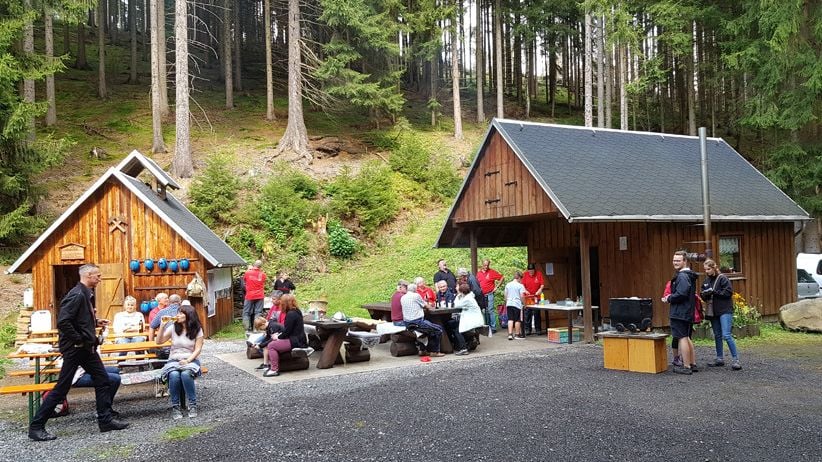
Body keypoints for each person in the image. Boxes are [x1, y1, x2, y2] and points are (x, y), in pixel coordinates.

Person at [28, 264, 129, 441]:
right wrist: (79, 340)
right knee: (62, 388)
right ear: (88, 276)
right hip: (76, 349)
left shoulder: (85, 295)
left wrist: (95, 322)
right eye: (97, 276)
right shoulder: (77, 295)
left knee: (103, 379)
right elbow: (63, 322)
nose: (99, 279)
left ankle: (105, 420)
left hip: (86, 349)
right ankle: (36, 427)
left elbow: (77, 320)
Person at [157, 304, 204, 419]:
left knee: (186, 374)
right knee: (173, 375)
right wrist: (162, 326)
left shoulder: (197, 329)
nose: (178, 315)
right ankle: (175, 407)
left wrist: (188, 360)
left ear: (189, 316)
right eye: (178, 313)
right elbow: (159, 341)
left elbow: (198, 349)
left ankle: (192, 405)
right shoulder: (173, 327)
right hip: (174, 359)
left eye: (181, 313)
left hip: (191, 359)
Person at [662, 250, 698, 375]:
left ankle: (686, 366)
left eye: (678, 260)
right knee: (687, 337)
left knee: (682, 337)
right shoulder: (689, 275)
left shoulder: (682, 276)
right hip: (687, 311)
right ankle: (692, 363)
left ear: (685, 261)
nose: (675, 263)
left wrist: (669, 298)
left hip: (680, 311)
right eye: (674, 260)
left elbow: (682, 293)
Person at [701, 259, 741, 370]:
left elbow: (728, 292)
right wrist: (704, 294)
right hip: (713, 311)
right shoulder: (706, 280)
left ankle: (736, 360)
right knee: (717, 335)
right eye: (705, 269)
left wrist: (714, 292)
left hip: (724, 310)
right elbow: (703, 295)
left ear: (714, 267)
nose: (707, 271)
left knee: (726, 335)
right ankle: (719, 358)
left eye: (708, 269)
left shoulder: (722, 278)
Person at [263, 294, 311, 377]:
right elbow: (288, 331)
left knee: (271, 345)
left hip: (295, 341)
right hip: (298, 339)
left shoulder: (291, 314)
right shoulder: (297, 311)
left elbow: (287, 332)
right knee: (273, 342)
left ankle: (274, 369)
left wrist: (277, 337)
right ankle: (273, 365)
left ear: (284, 303)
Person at [401, 283, 445, 357]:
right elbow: (426, 306)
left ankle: (423, 350)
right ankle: (434, 351)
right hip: (417, 322)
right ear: (415, 290)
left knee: (427, 329)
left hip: (407, 323)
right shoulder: (416, 295)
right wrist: (431, 307)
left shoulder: (403, 297)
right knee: (438, 329)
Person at [478, 259, 504, 332]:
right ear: (482, 264)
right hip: (482, 295)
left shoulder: (492, 272)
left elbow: (502, 277)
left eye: (487, 265)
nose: (486, 267)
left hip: (490, 293)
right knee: (483, 311)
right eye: (484, 265)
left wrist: (497, 287)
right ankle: (485, 326)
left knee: (490, 310)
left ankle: (493, 327)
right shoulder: (479, 273)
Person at [243, 260, 267, 332]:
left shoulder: (247, 273)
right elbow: (263, 282)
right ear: (261, 266)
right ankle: (256, 329)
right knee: (258, 312)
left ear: (254, 265)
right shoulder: (263, 274)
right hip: (259, 295)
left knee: (246, 312)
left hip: (249, 295)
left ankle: (247, 329)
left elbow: (244, 280)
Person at [521, 263, 545, 335]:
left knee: (537, 313)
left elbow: (542, 284)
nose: (531, 272)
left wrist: (540, 290)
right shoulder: (525, 274)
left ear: (534, 270)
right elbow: (522, 285)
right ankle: (528, 329)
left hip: (536, 296)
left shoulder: (539, 274)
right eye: (529, 271)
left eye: (532, 271)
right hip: (528, 297)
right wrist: (525, 290)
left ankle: (538, 329)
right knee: (527, 313)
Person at [504, 271, 527, 340]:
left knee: (510, 319)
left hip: (509, 303)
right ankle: (517, 334)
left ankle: (510, 334)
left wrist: (506, 302)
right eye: (521, 279)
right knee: (517, 319)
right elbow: (522, 296)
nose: (521, 280)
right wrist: (524, 304)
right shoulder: (520, 285)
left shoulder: (508, 284)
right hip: (517, 304)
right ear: (519, 278)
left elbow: (505, 295)